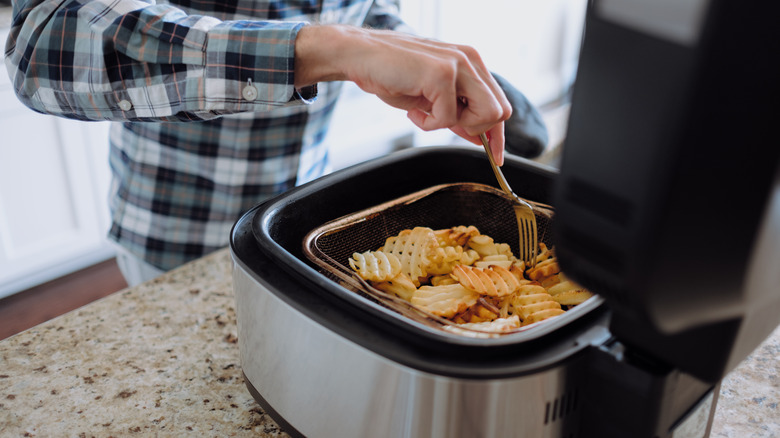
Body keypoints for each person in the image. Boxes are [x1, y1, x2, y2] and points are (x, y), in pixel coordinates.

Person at [4, 0, 515, 286]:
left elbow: (363, 9)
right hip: (179, 235)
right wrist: (328, 49)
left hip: (304, 221)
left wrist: (410, 50)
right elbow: (41, 46)